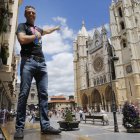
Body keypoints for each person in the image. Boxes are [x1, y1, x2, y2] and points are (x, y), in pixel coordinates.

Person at [14, 5, 61, 139]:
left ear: (35, 15)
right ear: (25, 14)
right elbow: (22, 39)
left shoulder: (38, 28)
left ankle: (45, 126)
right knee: (23, 94)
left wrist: (56, 28)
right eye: (28, 12)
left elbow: (47, 30)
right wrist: (35, 35)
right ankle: (19, 128)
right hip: (28, 61)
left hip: (42, 63)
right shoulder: (22, 26)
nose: (31, 14)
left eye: (33, 12)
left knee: (44, 95)